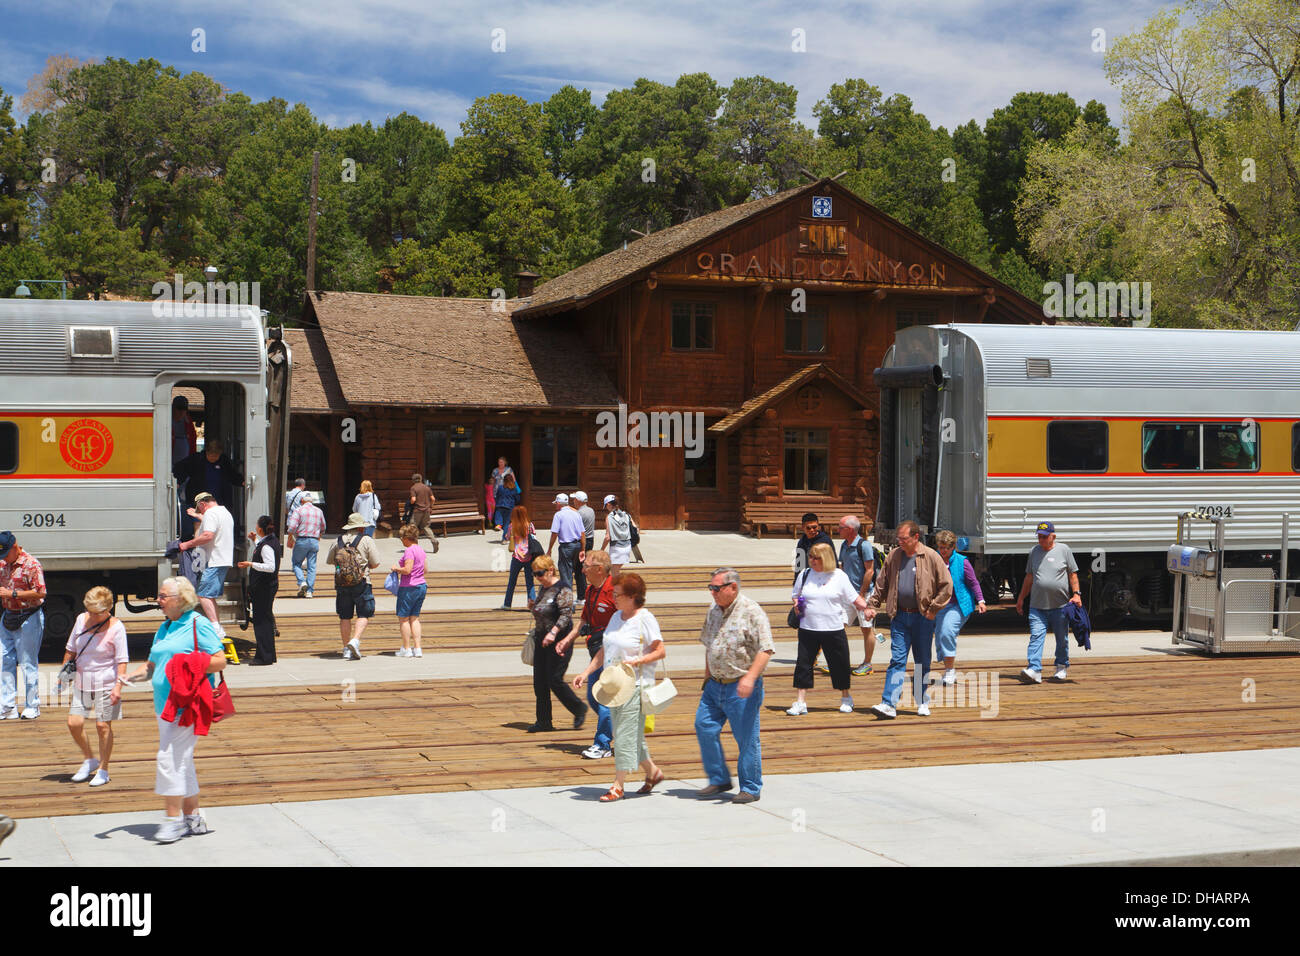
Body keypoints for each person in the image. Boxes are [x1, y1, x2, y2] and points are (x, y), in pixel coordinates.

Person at [123, 576, 226, 843]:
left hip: (187, 706)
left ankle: (173, 820)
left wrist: (188, 663)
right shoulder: (165, 626)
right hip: (164, 706)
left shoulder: (198, 624)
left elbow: (220, 661)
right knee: (182, 761)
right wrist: (128, 678)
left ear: (181, 599)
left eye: (162, 596)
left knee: (168, 759)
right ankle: (193, 819)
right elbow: (152, 665)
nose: (158, 601)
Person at [573, 572, 665, 801]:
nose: (613, 598)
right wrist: (586, 672)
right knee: (630, 735)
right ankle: (653, 772)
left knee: (623, 735)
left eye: (618, 594)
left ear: (633, 596)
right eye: (613, 594)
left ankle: (618, 785)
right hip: (614, 684)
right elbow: (605, 650)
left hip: (636, 685)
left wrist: (639, 660)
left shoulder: (645, 619)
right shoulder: (616, 617)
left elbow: (660, 650)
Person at [695, 567, 774, 804]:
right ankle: (719, 778)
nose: (713, 593)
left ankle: (750, 787)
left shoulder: (752, 611)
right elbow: (709, 644)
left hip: (741, 686)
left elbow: (766, 649)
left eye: (717, 588)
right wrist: (707, 675)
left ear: (733, 588)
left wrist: (750, 678)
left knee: (746, 738)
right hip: (714, 685)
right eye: (710, 588)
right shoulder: (713, 610)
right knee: (704, 726)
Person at [865, 521, 954, 719]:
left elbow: (946, 585)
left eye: (904, 539)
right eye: (899, 538)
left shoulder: (931, 556)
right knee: (897, 660)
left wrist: (933, 609)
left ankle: (922, 700)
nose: (900, 542)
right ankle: (888, 703)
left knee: (922, 661)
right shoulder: (894, 556)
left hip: (923, 617)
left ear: (915, 537)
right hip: (899, 616)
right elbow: (882, 584)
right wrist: (872, 605)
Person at [787, 542, 868, 716]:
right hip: (808, 627)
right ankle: (800, 702)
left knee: (839, 663)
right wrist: (797, 604)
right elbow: (796, 595)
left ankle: (846, 698)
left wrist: (867, 609)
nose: (813, 560)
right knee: (803, 664)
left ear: (827, 558)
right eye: (811, 557)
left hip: (833, 628)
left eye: (817, 557)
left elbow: (853, 598)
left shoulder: (839, 575)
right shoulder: (805, 573)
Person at [61, 587, 129, 787]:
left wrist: (118, 687)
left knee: (102, 726)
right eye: (89, 610)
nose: (91, 615)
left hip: (107, 683)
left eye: (95, 612)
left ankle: (104, 769)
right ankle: (90, 758)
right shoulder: (81, 619)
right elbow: (70, 649)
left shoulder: (117, 627)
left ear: (107, 609)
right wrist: (64, 673)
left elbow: (122, 661)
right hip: (83, 681)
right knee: (74, 723)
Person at [557, 550, 616, 760]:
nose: (582, 571)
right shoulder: (591, 591)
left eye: (586, 567)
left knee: (605, 699)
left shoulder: (613, 591)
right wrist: (566, 640)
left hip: (612, 654)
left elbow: (629, 617)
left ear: (599, 569)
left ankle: (602, 743)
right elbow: (583, 622)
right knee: (593, 697)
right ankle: (619, 730)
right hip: (595, 650)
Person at [1015, 521, 1083, 684]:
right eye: (1039, 536)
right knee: (1036, 636)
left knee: (1062, 638)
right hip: (1037, 606)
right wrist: (1021, 598)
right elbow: (1029, 577)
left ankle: (1061, 666)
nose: (1041, 539)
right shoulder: (1034, 551)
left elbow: (1072, 574)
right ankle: (1034, 669)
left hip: (1060, 606)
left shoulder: (1064, 550)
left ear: (1053, 536)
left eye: (1044, 537)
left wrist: (1076, 594)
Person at [528, 556, 587, 733]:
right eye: (534, 573)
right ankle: (544, 721)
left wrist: (553, 633)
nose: (537, 577)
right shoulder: (543, 589)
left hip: (560, 641)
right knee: (539, 682)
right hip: (541, 641)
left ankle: (579, 708)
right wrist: (532, 607)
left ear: (550, 570)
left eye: (539, 573)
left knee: (554, 679)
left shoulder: (563, 589)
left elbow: (566, 615)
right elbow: (542, 610)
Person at [0, 530, 46, 720]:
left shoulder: (31, 564)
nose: (4, 559)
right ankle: (7, 705)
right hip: (8, 615)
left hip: (28, 617)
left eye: (5, 554)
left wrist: (13, 594)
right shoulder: (3, 564)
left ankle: (32, 705)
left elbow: (41, 592)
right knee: (5, 660)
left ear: (15, 547)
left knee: (27, 662)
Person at [178, 493, 234, 643]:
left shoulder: (210, 513)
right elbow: (212, 523)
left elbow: (208, 535)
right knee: (209, 596)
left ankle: (216, 628)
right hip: (223, 558)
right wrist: (197, 515)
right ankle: (217, 627)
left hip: (215, 559)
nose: (201, 512)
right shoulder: (224, 512)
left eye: (200, 509)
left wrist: (187, 544)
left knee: (203, 595)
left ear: (203, 504)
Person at [933, 530, 986, 685]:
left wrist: (981, 600)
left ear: (953, 547)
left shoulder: (963, 562)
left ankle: (950, 672)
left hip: (958, 605)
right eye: (940, 547)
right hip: (939, 605)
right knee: (940, 636)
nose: (942, 551)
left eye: (946, 548)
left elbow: (973, 582)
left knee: (946, 632)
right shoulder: (933, 559)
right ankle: (948, 668)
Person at [328, 513, 383, 660]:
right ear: (360, 527)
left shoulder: (337, 541)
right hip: (362, 582)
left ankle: (346, 648)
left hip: (341, 583)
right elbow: (376, 563)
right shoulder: (366, 540)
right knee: (364, 613)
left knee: (345, 616)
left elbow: (331, 561)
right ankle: (355, 640)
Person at [837, 515, 879, 677]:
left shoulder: (864, 545)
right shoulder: (844, 545)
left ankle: (867, 663)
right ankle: (839, 661)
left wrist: (861, 594)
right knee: (838, 626)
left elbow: (870, 570)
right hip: (847, 595)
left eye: (840, 528)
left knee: (866, 629)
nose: (838, 530)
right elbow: (842, 567)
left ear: (850, 529)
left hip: (864, 594)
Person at [237, 515, 281, 666]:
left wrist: (251, 564)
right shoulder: (269, 541)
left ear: (261, 529)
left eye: (256, 526)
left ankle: (264, 657)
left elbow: (270, 567)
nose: (255, 527)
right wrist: (254, 540)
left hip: (264, 588)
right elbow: (264, 551)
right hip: (266, 587)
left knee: (261, 622)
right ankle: (269, 655)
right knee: (266, 621)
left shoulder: (267, 545)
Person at [171, 437, 244, 510]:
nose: (213, 457)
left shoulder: (224, 461)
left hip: (219, 502)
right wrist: (177, 481)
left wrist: (242, 481)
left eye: (216, 455)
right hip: (199, 501)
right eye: (210, 454)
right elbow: (181, 469)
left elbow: (232, 475)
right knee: (199, 520)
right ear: (206, 452)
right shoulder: (197, 459)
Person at [392, 524, 427, 658]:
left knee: (404, 619)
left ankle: (406, 649)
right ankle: (417, 648)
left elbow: (407, 570)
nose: (401, 540)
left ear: (407, 538)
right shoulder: (421, 550)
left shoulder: (409, 551)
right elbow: (425, 570)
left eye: (402, 537)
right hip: (421, 585)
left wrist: (396, 568)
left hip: (409, 587)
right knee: (414, 618)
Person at [285, 491, 325, 598]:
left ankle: (302, 582)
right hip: (314, 541)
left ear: (302, 501)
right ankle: (309, 591)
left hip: (302, 540)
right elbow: (323, 527)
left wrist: (290, 538)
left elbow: (292, 527)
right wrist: (318, 534)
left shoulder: (298, 510)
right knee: (311, 566)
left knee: (296, 563)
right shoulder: (319, 511)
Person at [545, 493, 585, 592]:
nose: (555, 505)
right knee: (575, 572)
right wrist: (583, 549)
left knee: (566, 576)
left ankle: (568, 603)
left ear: (559, 503)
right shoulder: (576, 514)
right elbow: (582, 533)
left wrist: (549, 549)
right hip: (577, 545)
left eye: (556, 503)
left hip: (566, 547)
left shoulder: (558, 515)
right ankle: (577, 597)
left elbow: (554, 533)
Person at [502, 505, 538, 610]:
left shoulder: (512, 526)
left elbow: (507, 537)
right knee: (529, 582)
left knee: (512, 581)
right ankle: (532, 604)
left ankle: (507, 604)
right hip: (529, 556)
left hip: (517, 556)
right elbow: (534, 536)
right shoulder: (530, 525)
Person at [600, 495, 633, 574]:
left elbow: (607, 537)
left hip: (617, 548)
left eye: (606, 506)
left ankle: (620, 585)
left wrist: (601, 550)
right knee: (616, 571)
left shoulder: (609, 517)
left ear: (608, 504)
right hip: (627, 546)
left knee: (614, 573)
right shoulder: (627, 515)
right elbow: (635, 528)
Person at [408, 473, 440, 553]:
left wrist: (410, 504)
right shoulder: (427, 487)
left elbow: (413, 499)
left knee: (413, 528)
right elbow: (433, 499)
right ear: (421, 479)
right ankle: (434, 540)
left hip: (417, 511)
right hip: (426, 511)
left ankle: (415, 548)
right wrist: (430, 507)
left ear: (413, 480)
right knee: (426, 527)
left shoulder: (413, 488)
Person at [573, 492, 596, 598]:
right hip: (590, 540)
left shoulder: (578, 514)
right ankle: (584, 594)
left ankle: (582, 596)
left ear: (579, 501)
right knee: (583, 567)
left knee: (579, 569)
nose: (573, 501)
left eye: (574, 499)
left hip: (582, 541)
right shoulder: (591, 510)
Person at [494, 474, 521, 543]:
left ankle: (499, 525)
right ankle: (504, 539)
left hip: (500, 505)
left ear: (504, 480)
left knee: (498, 516)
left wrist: (497, 503)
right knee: (506, 524)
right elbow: (517, 499)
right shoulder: (514, 489)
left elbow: (497, 496)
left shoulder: (500, 487)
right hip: (509, 507)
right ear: (512, 480)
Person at [171, 395, 197, 465]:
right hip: (169, 463)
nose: (182, 412)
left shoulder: (188, 421)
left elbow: (193, 440)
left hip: (185, 464)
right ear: (173, 408)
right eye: (179, 409)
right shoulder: (166, 420)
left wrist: (193, 460)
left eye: (184, 409)